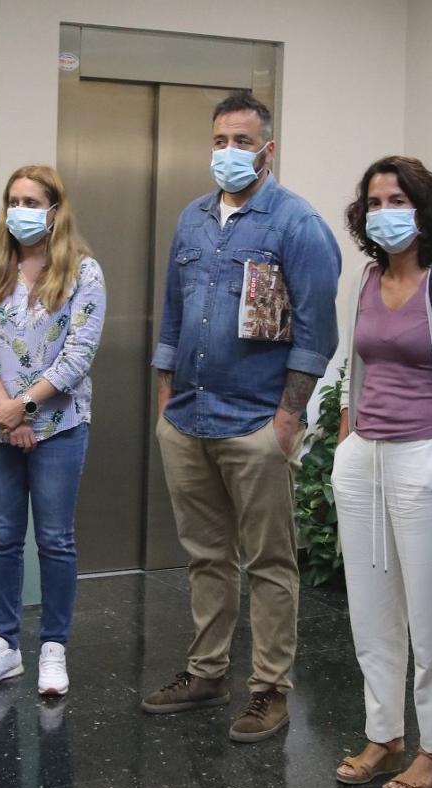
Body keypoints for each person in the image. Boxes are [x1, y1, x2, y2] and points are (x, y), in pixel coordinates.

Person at [142, 91, 340, 742]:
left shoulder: (297, 225)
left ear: (267, 150)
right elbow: (172, 314)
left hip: (256, 422)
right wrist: (166, 399)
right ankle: (206, 672)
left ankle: (269, 691)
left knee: (269, 564)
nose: (228, 152)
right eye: (220, 141)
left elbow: (316, 332)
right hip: (188, 419)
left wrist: (287, 418)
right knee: (205, 557)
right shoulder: (193, 219)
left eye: (242, 142)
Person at [329, 156, 432, 788]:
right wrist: (347, 438)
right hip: (363, 458)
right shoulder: (366, 279)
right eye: (374, 203)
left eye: (397, 201)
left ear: (424, 210)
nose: (385, 213)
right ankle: (384, 734)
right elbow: (354, 363)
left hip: (425, 455)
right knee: (371, 610)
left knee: (431, 613)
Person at [0, 165, 106, 697]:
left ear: (54, 210)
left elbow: (79, 354)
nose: (20, 211)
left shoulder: (84, 272)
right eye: (13, 201)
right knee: (2, 537)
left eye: (31, 202)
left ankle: (52, 647)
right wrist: (6, 411)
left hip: (59, 425)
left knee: (55, 539)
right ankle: (4, 644)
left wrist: (25, 407)